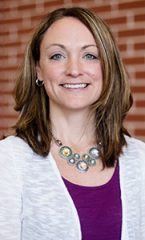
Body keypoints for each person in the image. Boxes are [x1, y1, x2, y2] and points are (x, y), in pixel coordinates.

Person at [0, 7, 145, 240]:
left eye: (90, 55)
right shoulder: (8, 161)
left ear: (108, 67)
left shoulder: (140, 159)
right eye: (58, 55)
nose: (74, 70)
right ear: (38, 69)